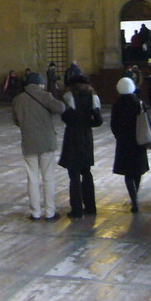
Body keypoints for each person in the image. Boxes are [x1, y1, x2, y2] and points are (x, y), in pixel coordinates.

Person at [11, 72, 66, 221]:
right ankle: (49, 212)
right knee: (48, 177)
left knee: (32, 178)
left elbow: (16, 121)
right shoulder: (44, 95)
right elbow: (61, 108)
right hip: (46, 142)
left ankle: (35, 212)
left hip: (28, 141)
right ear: (40, 84)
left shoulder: (18, 99)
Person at [59, 74, 102, 218]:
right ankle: (90, 207)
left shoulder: (69, 96)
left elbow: (65, 117)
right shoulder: (93, 97)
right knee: (87, 172)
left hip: (72, 137)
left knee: (74, 174)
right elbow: (98, 121)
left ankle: (76, 209)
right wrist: (87, 123)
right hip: (86, 137)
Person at [111, 76, 149, 213]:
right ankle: (135, 196)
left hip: (124, 143)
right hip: (139, 141)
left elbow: (113, 125)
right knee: (137, 170)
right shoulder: (139, 103)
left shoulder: (117, 105)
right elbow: (147, 123)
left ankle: (134, 200)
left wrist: (119, 136)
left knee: (128, 173)